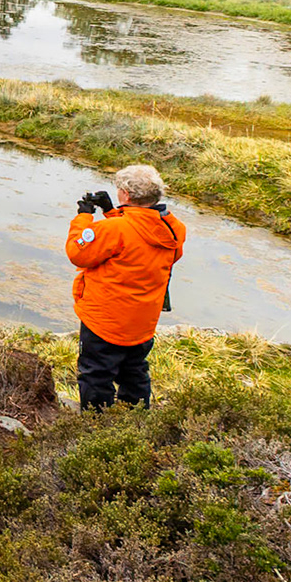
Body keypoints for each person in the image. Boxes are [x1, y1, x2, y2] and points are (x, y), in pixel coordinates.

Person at [65, 163, 186, 409]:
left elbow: (78, 253)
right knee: (134, 371)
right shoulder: (173, 228)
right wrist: (112, 211)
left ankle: (96, 424)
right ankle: (135, 420)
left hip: (105, 321)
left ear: (126, 195)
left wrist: (83, 217)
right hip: (142, 322)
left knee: (96, 374)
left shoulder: (114, 229)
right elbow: (138, 239)